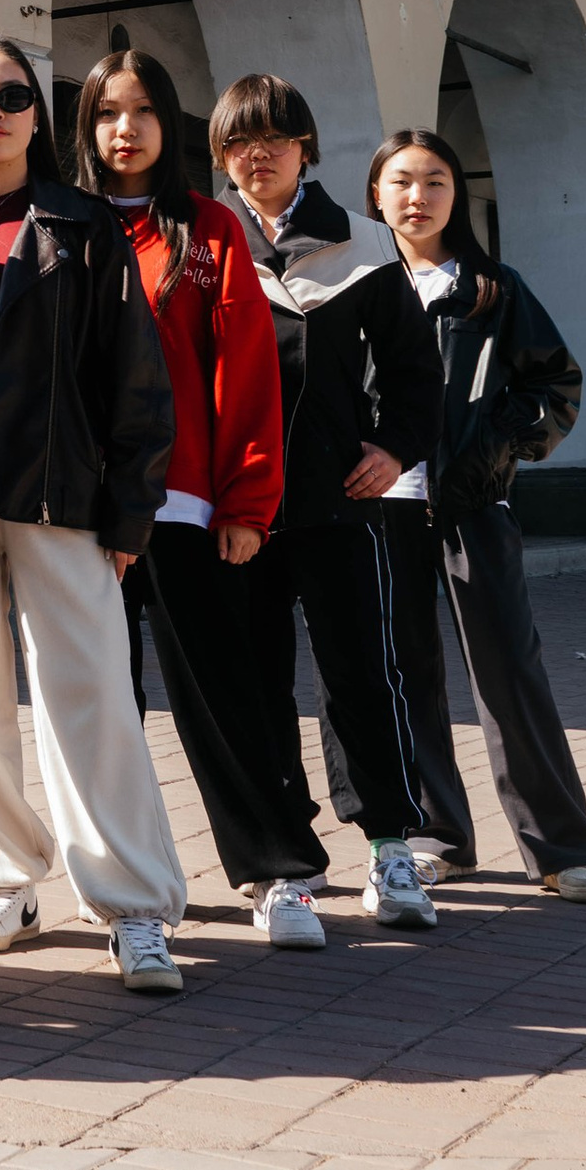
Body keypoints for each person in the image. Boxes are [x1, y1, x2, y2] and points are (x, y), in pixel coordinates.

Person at [0, 37, 186, 992]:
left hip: (62, 489)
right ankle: (2, 875)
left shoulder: (81, 223)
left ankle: (131, 903)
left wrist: (132, 507)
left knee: (91, 692)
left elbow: (134, 373)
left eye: (11, 94)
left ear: (40, 113)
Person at [69, 48, 305, 942]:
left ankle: (277, 872)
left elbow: (247, 372)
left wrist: (247, 502)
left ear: (170, 124)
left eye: (141, 111)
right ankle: (128, 877)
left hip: (183, 507)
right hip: (81, 514)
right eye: (104, 112)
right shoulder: (65, 222)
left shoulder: (208, 228)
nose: (123, 129)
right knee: (100, 699)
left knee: (223, 695)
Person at [209, 72, 447, 934]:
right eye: (238, 140)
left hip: (340, 504)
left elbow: (418, 375)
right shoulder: (209, 242)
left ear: (305, 145)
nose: (256, 153)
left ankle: (390, 847)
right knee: (258, 682)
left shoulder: (365, 250)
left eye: (274, 136)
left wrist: (392, 450)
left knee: (362, 678)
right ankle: (285, 870)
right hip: (238, 509)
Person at [358, 127, 586, 899]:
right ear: (376, 194)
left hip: (473, 504)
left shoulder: (494, 288)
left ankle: (564, 849)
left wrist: (502, 446)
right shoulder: (360, 286)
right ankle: (439, 836)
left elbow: (555, 383)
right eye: (401, 181)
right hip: (384, 507)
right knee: (407, 671)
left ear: (454, 194)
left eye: (435, 180)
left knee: (509, 669)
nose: (417, 196)